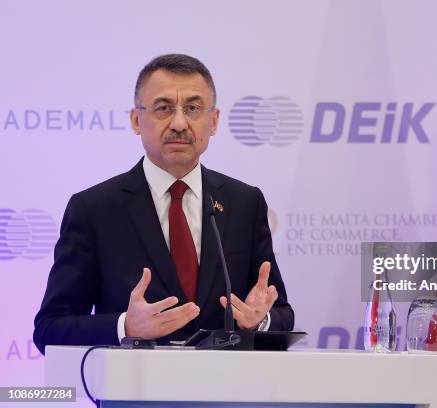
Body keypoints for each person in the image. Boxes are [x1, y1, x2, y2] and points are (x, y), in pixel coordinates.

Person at [33, 54, 294, 354]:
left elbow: (281, 314)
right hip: (133, 396)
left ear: (214, 121)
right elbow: (50, 329)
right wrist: (125, 328)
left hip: (228, 394)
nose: (179, 123)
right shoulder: (94, 209)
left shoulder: (244, 203)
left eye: (193, 108)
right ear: (136, 120)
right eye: (163, 108)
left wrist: (258, 322)